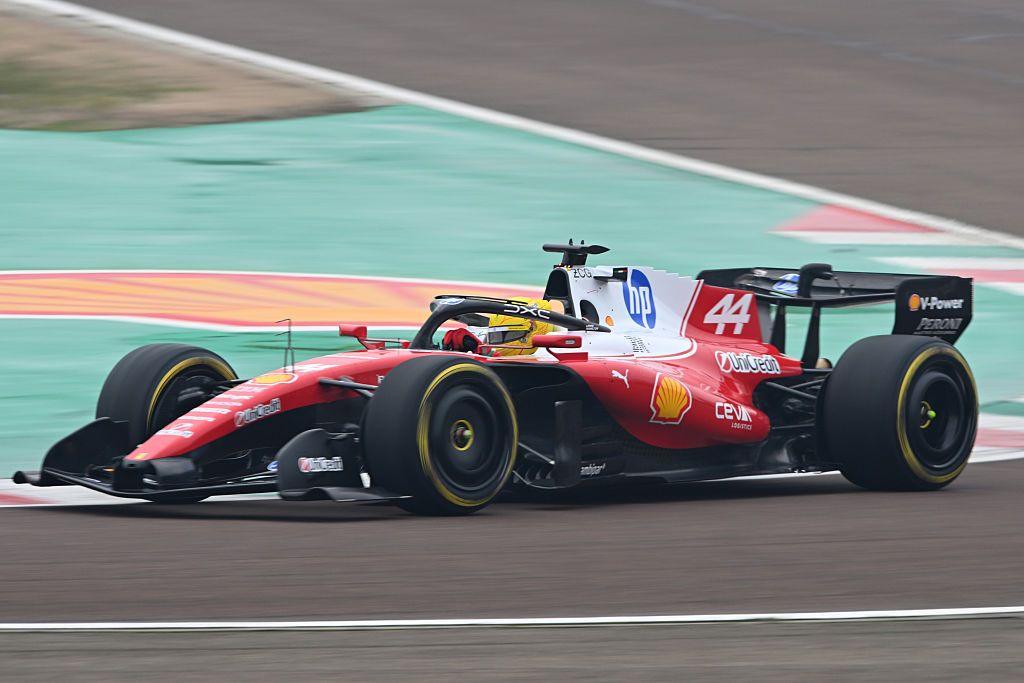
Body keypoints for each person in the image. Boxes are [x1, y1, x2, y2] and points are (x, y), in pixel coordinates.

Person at [442, 298, 557, 356]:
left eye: (503, 335)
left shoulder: (549, 356)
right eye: (492, 332)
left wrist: (485, 352)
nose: (494, 340)